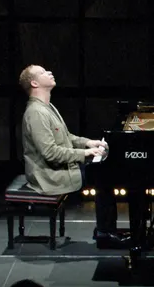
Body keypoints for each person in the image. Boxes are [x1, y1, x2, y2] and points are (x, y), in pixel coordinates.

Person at [19, 64, 129, 247]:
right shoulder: (36, 113)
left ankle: (105, 229)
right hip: (49, 175)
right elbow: (50, 153)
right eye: (43, 72)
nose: (50, 72)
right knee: (104, 176)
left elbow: (66, 137)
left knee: (104, 173)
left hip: (58, 168)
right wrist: (86, 153)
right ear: (34, 83)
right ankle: (105, 232)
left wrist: (88, 142)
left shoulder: (47, 107)